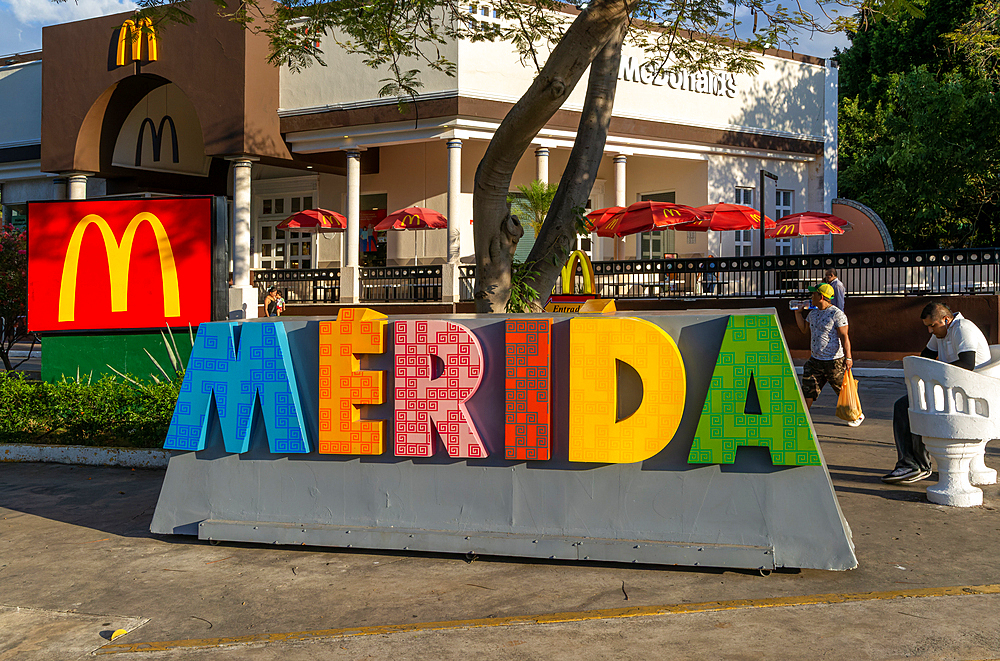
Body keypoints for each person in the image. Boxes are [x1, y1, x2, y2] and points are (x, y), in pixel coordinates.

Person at [882, 303, 991, 484]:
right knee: (907, 404)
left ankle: (918, 465)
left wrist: (934, 375)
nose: (930, 330)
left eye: (932, 325)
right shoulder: (942, 332)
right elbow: (926, 356)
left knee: (911, 405)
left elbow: (967, 364)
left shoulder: (962, 329)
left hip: (971, 392)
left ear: (946, 319)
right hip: (953, 389)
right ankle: (910, 464)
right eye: (928, 326)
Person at [794, 282, 862, 425]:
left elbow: (845, 337)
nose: (811, 296)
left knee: (842, 391)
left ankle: (856, 415)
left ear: (821, 296)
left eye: (814, 294)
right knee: (808, 388)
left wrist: (848, 357)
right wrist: (798, 314)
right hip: (815, 360)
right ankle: (803, 418)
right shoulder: (813, 313)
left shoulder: (837, 314)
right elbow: (804, 329)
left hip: (834, 361)